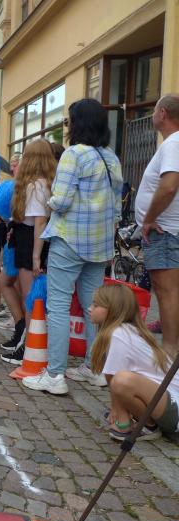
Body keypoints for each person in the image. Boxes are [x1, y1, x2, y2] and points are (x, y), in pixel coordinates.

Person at [23, 99, 123, 395]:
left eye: (68, 121)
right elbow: (117, 207)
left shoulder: (74, 154)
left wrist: (49, 200)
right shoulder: (111, 157)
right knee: (95, 307)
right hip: (99, 243)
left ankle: (54, 375)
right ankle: (95, 368)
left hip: (70, 239)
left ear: (77, 123)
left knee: (58, 306)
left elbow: (62, 201)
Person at [87, 283, 177, 441]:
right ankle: (141, 420)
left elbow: (113, 377)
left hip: (174, 407)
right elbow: (111, 374)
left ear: (112, 310)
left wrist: (117, 411)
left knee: (122, 380)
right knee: (120, 379)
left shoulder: (119, 334)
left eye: (96, 305)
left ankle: (138, 425)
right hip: (163, 402)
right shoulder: (123, 331)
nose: (90, 308)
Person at [0, 139, 55, 365]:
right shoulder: (48, 183)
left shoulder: (35, 186)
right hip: (34, 240)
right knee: (33, 297)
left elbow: (39, 222)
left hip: (31, 242)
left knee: (30, 298)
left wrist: (35, 257)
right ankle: (29, 343)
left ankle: (29, 347)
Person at [135, 93, 179, 356]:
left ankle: (170, 353)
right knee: (169, 291)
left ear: (163, 113)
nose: (152, 115)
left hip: (165, 231)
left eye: (153, 111)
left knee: (167, 291)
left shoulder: (173, 143)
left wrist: (149, 218)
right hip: (169, 230)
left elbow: (169, 186)